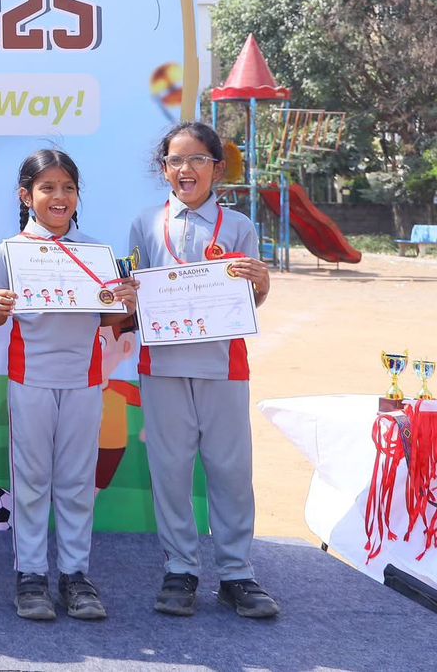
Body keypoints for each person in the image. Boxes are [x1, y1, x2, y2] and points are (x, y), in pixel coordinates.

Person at [127, 122, 277, 618]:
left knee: (231, 469)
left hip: (223, 365)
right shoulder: (145, 223)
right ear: (163, 168)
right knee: (169, 470)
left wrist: (260, 283)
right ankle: (180, 569)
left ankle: (237, 573)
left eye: (197, 160)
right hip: (163, 364)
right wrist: (126, 299)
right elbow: (134, 296)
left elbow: (250, 299)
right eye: (175, 160)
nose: (185, 169)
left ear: (216, 167)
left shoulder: (238, 227)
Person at [0, 150, 136, 621]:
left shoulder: (97, 251)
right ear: (26, 196)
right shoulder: (10, 250)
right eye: (47, 188)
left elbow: (111, 319)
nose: (59, 196)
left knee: (74, 481)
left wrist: (127, 300)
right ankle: (30, 576)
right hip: (30, 379)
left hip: (86, 380)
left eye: (68, 187)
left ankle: (74, 575)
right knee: (31, 481)